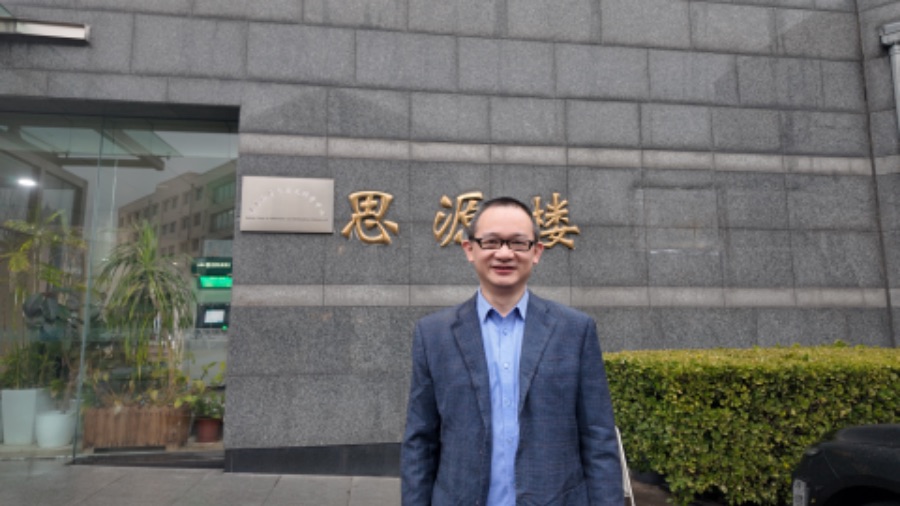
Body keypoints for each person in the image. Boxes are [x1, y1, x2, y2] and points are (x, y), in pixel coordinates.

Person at [401, 196, 623, 506]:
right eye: (491, 242)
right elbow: (420, 441)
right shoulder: (434, 334)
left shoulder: (575, 330)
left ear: (536, 252)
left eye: (518, 243)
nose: (504, 254)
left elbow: (598, 437)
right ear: (469, 249)